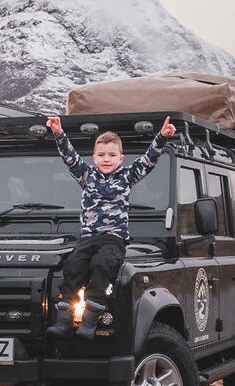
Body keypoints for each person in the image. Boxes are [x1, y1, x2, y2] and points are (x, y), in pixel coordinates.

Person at [44, 112, 176, 339]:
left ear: (121, 158)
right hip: (87, 238)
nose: (107, 159)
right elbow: (69, 156)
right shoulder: (86, 175)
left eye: (112, 155)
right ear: (94, 158)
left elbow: (149, 160)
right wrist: (58, 133)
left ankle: (89, 321)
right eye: (101, 154)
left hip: (113, 239)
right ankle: (64, 320)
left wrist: (162, 137)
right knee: (73, 266)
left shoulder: (127, 176)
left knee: (102, 265)